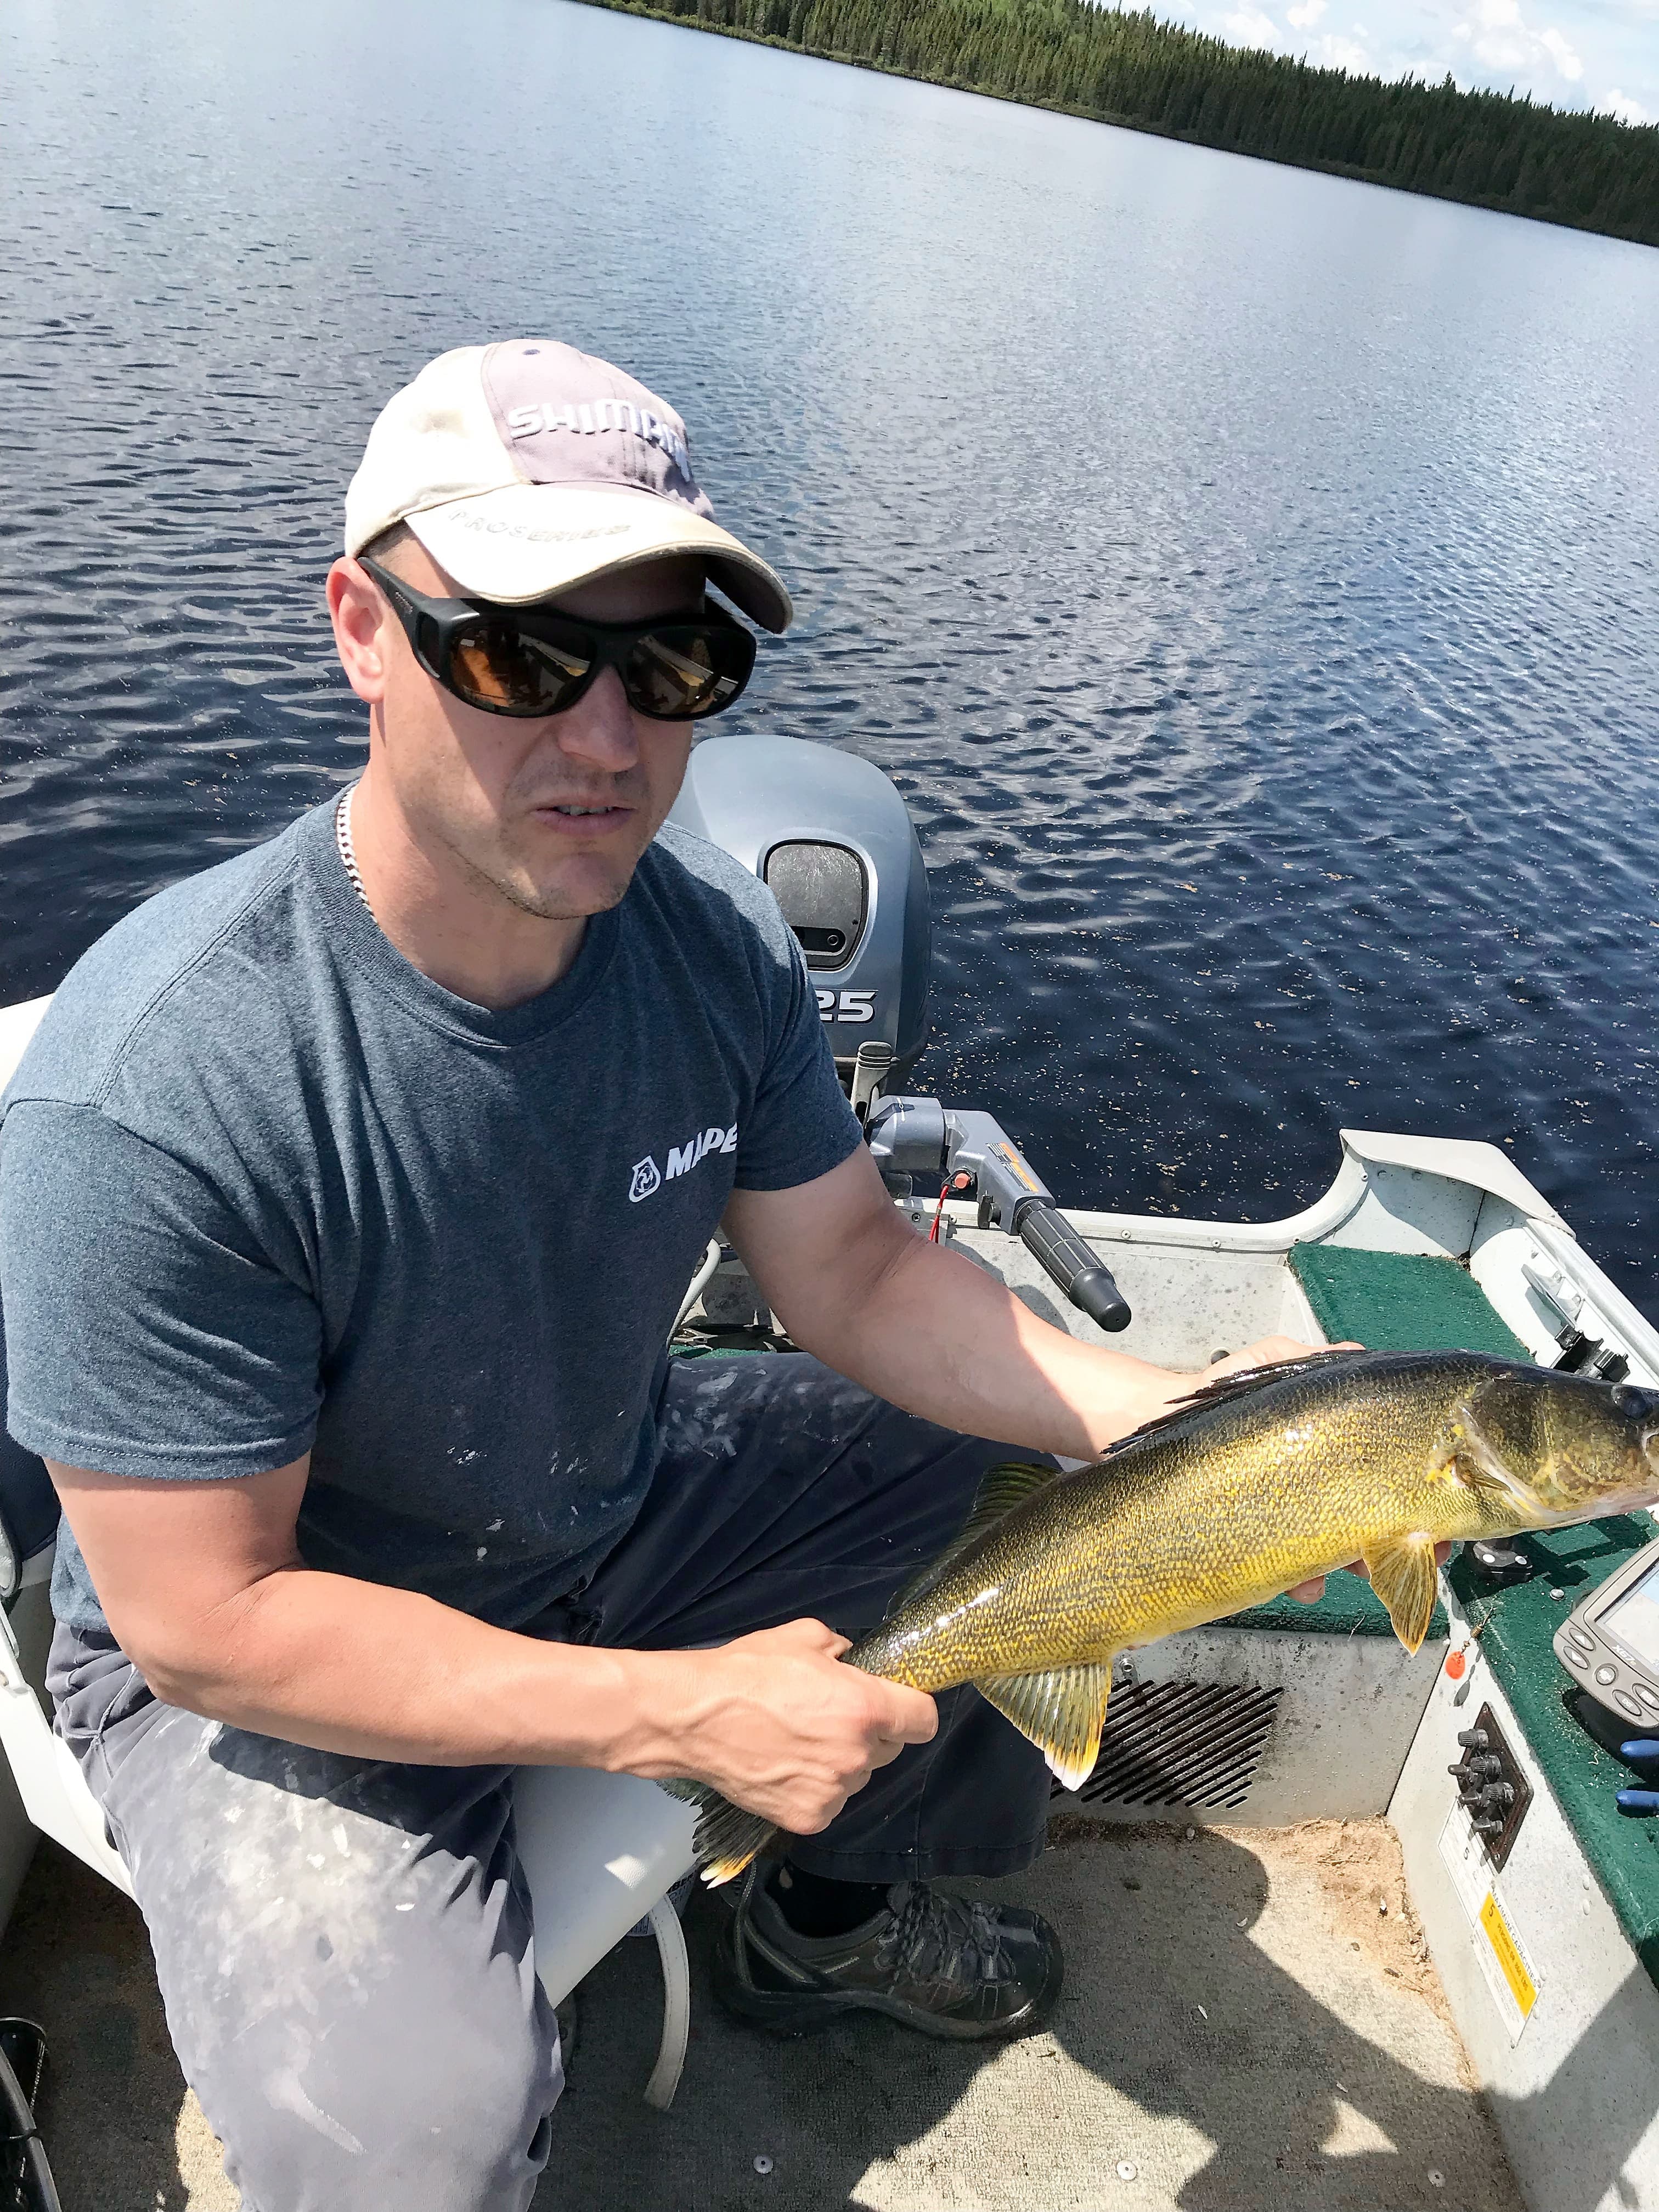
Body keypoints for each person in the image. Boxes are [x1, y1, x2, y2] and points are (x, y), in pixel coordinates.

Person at [0, 340, 1331, 2212]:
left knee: (1027, 1484)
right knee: (408, 2139)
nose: (611, 737)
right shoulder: (168, 1086)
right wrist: (674, 1710)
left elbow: (856, 1267)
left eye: (675, 661)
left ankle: (830, 1913)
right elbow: (205, 1619)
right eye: (523, 654)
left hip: (600, 1489)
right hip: (277, 1636)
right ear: (360, 630)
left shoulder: (706, 951)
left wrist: (1170, 1421)